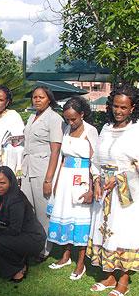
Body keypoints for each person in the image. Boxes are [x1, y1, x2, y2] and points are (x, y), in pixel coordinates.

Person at [87, 85, 139, 296]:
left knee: (123, 233)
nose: (119, 111)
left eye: (124, 107)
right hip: (104, 193)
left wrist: (118, 180)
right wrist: (97, 179)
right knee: (103, 230)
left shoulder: (136, 131)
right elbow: (96, 161)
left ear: (132, 108)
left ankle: (123, 281)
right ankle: (108, 276)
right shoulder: (106, 129)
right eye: (116, 106)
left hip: (126, 195)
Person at [47, 97, 98, 280]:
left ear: (82, 114)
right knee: (66, 215)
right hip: (66, 179)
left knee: (80, 218)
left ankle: (80, 263)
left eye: (74, 118)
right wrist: (57, 182)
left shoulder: (91, 131)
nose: (70, 122)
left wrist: (91, 189)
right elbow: (62, 158)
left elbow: (95, 162)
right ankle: (66, 255)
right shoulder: (67, 129)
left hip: (82, 179)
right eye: (67, 118)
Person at [21, 86, 64, 260]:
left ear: (49, 99)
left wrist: (48, 180)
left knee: (43, 212)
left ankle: (44, 249)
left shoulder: (54, 119)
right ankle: (31, 243)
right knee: (27, 209)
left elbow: (55, 151)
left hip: (43, 170)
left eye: (41, 97)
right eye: (34, 97)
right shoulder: (32, 117)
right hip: (27, 169)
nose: (37, 100)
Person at [0, 166, 46, 282]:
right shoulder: (2, 196)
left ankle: (19, 268)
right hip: (20, 235)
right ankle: (19, 261)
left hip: (33, 239)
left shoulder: (16, 199)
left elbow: (14, 229)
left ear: (11, 182)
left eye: (3, 183)